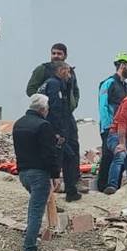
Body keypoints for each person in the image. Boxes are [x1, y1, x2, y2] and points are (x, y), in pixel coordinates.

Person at [12, 94, 60, 251]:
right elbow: (49, 154)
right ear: (42, 109)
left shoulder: (18, 124)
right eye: (47, 108)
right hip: (39, 174)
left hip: (23, 173)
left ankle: (30, 235)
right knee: (36, 211)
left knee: (35, 205)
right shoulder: (43, 126)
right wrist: (55, 175)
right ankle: (29, 249)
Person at [39, 62, 82, 201]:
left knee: (68, 157)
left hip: (53, 128)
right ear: (61, 70)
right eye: (68, 72)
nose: (70, 76)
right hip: (55, 129)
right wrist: (58, 132)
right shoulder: (54, 84)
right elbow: (56, 108)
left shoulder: (51, 83)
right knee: (58, 161)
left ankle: (70, 191)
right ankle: (53, 196)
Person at [95, 53, 127, 192]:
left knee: (121, 156)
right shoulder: (109, 83)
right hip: (110, 127)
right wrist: (107, 126)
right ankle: (102, 187)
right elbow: (103, 105)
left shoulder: (126, 87)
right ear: (122, 65)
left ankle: (115, 187)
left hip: (122, 129)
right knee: (108, 155)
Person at [26, 43, 80, 108]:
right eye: (53, 53)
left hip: (66, 112)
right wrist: (44, 103)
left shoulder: (70, 71)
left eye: (59, 54)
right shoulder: (42, 69)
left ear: (65, 56)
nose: (56, 56)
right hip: (46, 112)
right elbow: (30, 89)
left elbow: (75, 91)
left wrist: (73, 105)